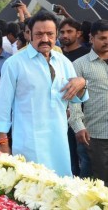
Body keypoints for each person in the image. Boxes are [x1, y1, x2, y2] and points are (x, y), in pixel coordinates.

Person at [0, 11, 88, 177]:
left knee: (60, 187)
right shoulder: (14, 63)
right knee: (31, 191)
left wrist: (82, 83)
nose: (45, 39)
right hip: (29, 143)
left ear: (56, 34)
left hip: (59, 141)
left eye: (50, 34)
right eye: (39, 34)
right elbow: (3, 106)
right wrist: (3, 143)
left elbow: (76, 99)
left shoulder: (63, 62)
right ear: (29, 34)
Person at [69, 19, 108, 185]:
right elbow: (73, 100)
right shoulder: (79, 65)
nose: (107, 41)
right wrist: (78, 125)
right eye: (103, 38)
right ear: (91, 38)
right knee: (100, 183)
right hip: (96, 133)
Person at [58, 17, 91, 177]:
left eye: (69, 31)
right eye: (62, 32)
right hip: (59, 117)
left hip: (82, 118)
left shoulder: (86, 56)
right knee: (66, 158)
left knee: (84, 159)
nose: (65, 35)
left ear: (78, 33)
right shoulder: (56, 57)